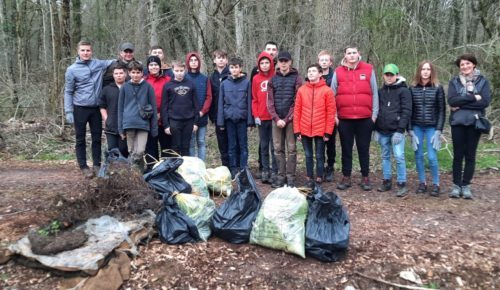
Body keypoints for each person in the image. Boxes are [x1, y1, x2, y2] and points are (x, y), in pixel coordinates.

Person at [331, 45, 379, 191]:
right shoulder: (338, 72)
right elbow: (331, 95)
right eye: (349, 53)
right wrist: (335, 116)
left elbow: (375, 93)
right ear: (345, 56)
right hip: (344, 118)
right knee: (346, 149)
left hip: (365, 118)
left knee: (363, 149)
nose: (351, 55)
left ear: (359, 54)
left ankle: (365, 177)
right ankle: (346, 176)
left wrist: (374, 115)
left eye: (354, 53)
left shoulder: (368, 69)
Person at [64, 40, 114, 178]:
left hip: (96, 108)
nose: (86, 53)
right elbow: (68, 91)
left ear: (92, 51)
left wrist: (130, 60)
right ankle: (83, 166)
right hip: (80, 107)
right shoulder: (72, 70)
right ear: (78, 51)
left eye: (88, 50)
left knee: (97, 138)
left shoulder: (98, 64)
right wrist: (68, 111)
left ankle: (97, 165)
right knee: (80, 139)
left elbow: (113, 62)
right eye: (83, 50)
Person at [447, 53, 491, 199]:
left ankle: (466, 186)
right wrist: (473, 97)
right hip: (457, 122)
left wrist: (462, 102)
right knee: (458, 155)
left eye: (467, 63)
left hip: (474, 122)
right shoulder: (454, 82)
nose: (465, 66)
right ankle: (456, 185)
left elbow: (484, 102)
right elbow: (452, 101)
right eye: (462, 65)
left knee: (470, 155)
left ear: (474, 64)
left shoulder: (483, 81)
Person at [293, 63, 336, 187]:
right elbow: (297, 111)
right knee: (308, 155)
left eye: (313, 71)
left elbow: (331, 112)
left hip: (320, 129)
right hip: (305, 127)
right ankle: (309, 175)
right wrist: (297, 130)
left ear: (320, 74)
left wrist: (328, 131)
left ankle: (319, 175)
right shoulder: (302, 90)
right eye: (309, 71)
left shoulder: (327, 91)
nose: (311, 73)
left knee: (319, 154)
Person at [374, 64, 412, 197]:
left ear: (397, 75)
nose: (389, 77)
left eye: (391, 74)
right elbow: (377, 110)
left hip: (396, 131)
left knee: (399, 156)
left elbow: (407, 111)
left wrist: (400, 130)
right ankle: (387, 181)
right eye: (387, 74)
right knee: (385, 156)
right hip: (382, 130)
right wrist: (376, 129)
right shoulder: (380, 91)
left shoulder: (404, 91)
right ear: (383, 75)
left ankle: (402, 183)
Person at [408, 60, 446, 196]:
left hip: (432, 127)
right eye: (423, 69)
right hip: (417, 126)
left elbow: (442, 110)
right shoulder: (412, 88)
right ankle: (422, 182)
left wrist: (439, 130)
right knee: (418, 156)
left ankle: (436, 184)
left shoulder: (438, 88)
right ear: (419, 71)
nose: (425, 72)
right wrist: (410, 130)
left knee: (431, 157)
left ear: (431, 72)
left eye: (428, 69)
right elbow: (409, 110)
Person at [267, 50, 303, 188]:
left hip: (291, 119)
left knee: (292, 148)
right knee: (277, 148)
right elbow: (269, 102)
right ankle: (281, 175)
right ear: (278, 63)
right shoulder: (273, 79)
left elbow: (297, 101)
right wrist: (276, 119)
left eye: (286, 61)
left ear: (290, 62)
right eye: (281, 61)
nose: (283, 63)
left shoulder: (297, 78)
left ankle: (291, 176)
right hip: (276, 119)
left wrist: (287, 118)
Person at [117, 61, 158, 172]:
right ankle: (136, 174)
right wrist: (120, 128)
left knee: (140, 151)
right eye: (133, 72)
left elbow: (153, 107)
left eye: (138, 72)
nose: (135, 75)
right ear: (129, 73)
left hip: (143, 124)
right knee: (131, 150)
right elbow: (120, 108)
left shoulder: (148, 87)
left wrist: (154, 128)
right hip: (129, 124)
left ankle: (131, 169)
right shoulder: (125, 87)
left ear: (142, 73)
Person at [217, 57, 253, 178]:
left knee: (243, 145)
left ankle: (243, 168)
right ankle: (233, 168)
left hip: (242, 119)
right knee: (231, 145)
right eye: (232, 67)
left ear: (240, 68)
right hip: (229, 119)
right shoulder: (224, 83)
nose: (234, 70)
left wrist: (250, 122)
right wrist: (220, 122)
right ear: (229, 69)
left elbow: (249, 103)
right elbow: (221, 104)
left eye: (236, 67)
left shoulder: (247, 82)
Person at [250, 41, 279, 178]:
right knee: (263, 145)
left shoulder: (276, 76)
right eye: (262, 63)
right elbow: (254, 99)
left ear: (271, 63)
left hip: (273, 117)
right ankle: (265, 170)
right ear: (259, 64)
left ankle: (275, 170)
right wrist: (256, 115)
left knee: (275, 146)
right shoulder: (255, 79)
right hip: (261, 118)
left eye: (267, 63)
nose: (265, 65)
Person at [161, 61, 199, 156]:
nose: (179, 73)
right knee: (175, 146)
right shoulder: (167, 86)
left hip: (189, 120)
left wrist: (196, 122)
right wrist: (166, 125)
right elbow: (164, 106)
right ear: (172, 71)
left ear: (185, 70)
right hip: (174, 120)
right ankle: (176, 168)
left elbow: (196, 105)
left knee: (186, 146)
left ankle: (185, 169)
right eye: (177, 70)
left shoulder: (191, 84)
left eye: (181, 70)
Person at [144, 55, 172, 168]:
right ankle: (152, 172)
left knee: (167, 147)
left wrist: (163, 115)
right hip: (149, 120)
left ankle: (167, 171)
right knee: (151, 148)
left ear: (160, 67)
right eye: (151, 65)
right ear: (148, 67)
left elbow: (172, 100)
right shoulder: (144, 81)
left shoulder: (168, 80)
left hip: (165, 121)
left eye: (156, 65)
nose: (154, 67)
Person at [185, 52, 212, 161]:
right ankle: (193, 167)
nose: (193, 62)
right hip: (188, 116)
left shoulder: (204, 78)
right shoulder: (184, 78)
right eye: (191, 60)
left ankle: (201, 166)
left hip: (202, 115)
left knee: (201, 141)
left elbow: (209, 97)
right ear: (188, 62)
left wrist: (202, 111)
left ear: (199, 62)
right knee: (191, 143)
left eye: (195, 60)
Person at [99, 65, 129, 158]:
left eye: (121, 73)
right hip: (111, 126)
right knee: (112, 150)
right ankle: (112, 171)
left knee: (124, 150)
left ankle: (125, 170)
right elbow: (102, 106)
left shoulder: (130, 88)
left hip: (126, 126)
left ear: (125, 74)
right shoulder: (107, 89)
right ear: (113, 75)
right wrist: (106, 119)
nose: (119, 75)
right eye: (116, 73)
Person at [208, 49, 231, 167]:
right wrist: (212, 116)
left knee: (232, 142)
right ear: (214, 60)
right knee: (222, 143)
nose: (221, 60)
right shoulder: (212, 77)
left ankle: (235, 167)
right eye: (218, 57)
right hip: (217, 116)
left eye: (223, 57)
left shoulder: (232, 74)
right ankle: (225, 167)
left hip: (231, 115)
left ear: (226, 60)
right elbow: (210, 97)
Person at [318, 50, 336, 182]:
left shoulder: (335, 76)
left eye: (326, 60)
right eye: (321, 60)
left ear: (330, 62)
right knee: (319, 144)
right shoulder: (315, 75)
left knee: (330, 142)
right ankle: (320, 166)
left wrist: (335, 115)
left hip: (330, 114)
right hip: (318, 116)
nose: (324, 62)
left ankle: (330, 167)